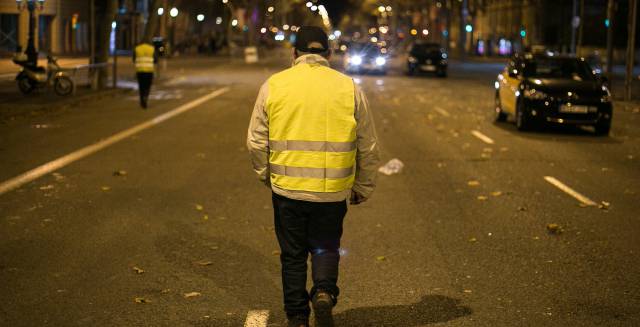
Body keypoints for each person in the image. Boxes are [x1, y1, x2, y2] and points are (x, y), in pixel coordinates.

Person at [247, 26, 379, 327]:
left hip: (288, 190)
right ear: (328, 55)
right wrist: (363, 185)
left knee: (292, 254)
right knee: (326, 245)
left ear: (294, 53)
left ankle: (296, 316)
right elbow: (368, 144)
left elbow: (255, 141)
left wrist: (267, 174)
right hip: (332, 190)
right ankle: (323, 291)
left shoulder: (274, 85)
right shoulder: (349, 87)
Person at [133, 39, 157, 109]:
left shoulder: (137, 49)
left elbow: (134, 59)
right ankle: (145, 97)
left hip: (140, 70)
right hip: (149, 71)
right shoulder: (151, 49)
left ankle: (141, 100)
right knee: (147, 86)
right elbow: (155, 60)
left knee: (141, 86)